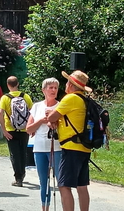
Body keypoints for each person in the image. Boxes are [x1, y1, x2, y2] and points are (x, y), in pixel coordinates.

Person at [47, 70, 93, 211]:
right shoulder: (84, 100)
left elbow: (51, 117)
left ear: (72, 85)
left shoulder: (70, 98)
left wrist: (52, 118)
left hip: (71, 147)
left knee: (64, 185)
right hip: (84, 147)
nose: (66, 85)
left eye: (67, 82)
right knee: (81, 185)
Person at [27, 78, 62, 211]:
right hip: (39, 148)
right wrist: (41, 120)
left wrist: (52, 121)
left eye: (55, 88)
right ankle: (44, 208)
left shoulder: (60, 106)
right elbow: (29, 129)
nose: (53, 90)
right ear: (44, 90)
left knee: (60, 181)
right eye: (50, 88)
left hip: (56, 148)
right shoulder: (37, 107)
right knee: (43, 181)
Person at [0, 76, 33, 187]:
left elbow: (0, 113)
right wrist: (30, 126)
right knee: (23, 152)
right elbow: (32, 112)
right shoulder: (25, 96)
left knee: (14, 153)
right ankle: (22, 174)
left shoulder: (5, 98)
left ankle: (18, 178)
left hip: (11, 129)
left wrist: (3, 130)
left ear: (8, 85)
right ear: (18, 84)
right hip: (24, 129)